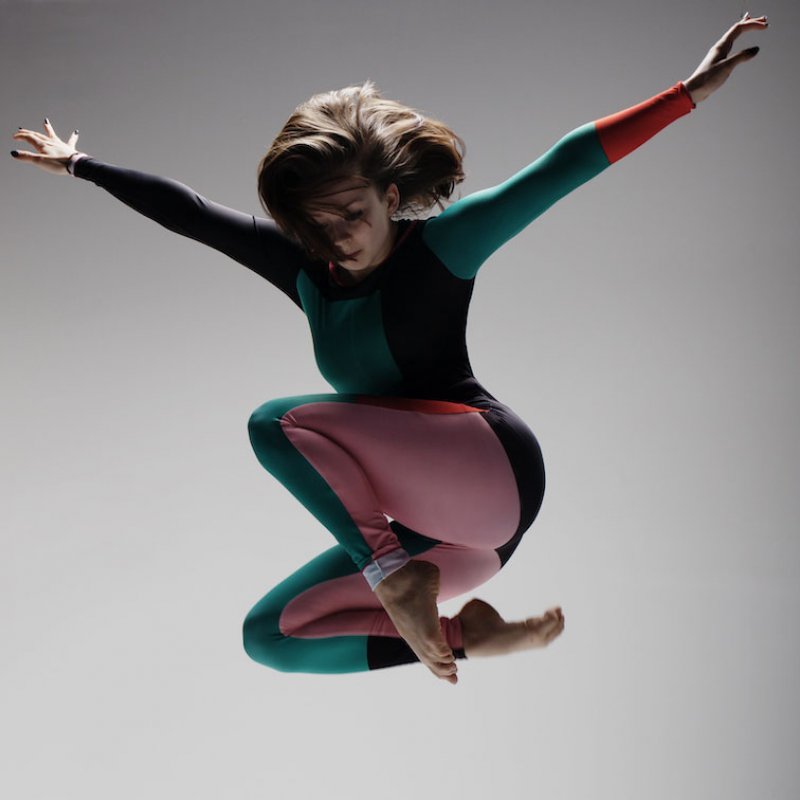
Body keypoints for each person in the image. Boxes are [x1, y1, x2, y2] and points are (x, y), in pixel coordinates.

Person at [11, 14, 767, 685]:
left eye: (353, 211)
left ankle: (397, 582)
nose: (339, 233)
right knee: (272, 637)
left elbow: (559, 169)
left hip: (491, 472)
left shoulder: (441, 249)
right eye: (319, 222)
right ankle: (467, 637)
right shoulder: (308, 266)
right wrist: (79, 164)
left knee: (276, 423)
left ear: (392, 198)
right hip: (451, 545)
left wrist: (687, 92)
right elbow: (191, 214)